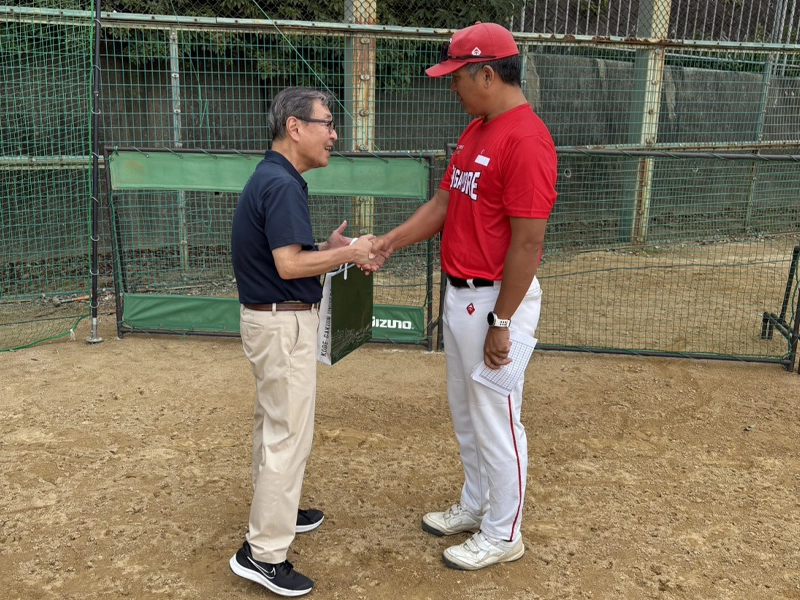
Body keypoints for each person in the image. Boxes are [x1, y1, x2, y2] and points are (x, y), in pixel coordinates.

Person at [370, 22, 558, 571]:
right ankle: (477, 504)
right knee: (467, 413)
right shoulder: (477, 129)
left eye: (458, 76)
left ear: (488, 74)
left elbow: (529, 242)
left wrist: (503, 320)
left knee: (498, 418)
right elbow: (444, 204)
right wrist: (388, 242)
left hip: (498, 301)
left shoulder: (526, 139)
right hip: (462, 295)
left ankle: (503, 532)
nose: (452, 86)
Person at [229, 87, 379, 596]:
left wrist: (325, 248)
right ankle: (263, 554)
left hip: (270, 321)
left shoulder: (273, 176)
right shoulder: (282, 183)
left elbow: (290, 253)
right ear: (295, 128)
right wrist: (349, 252)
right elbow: (290, 265)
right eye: (327, 123)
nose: (334, 134)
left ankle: (278, 509)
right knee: (288, 435)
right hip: (282, 324)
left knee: (274, 426)